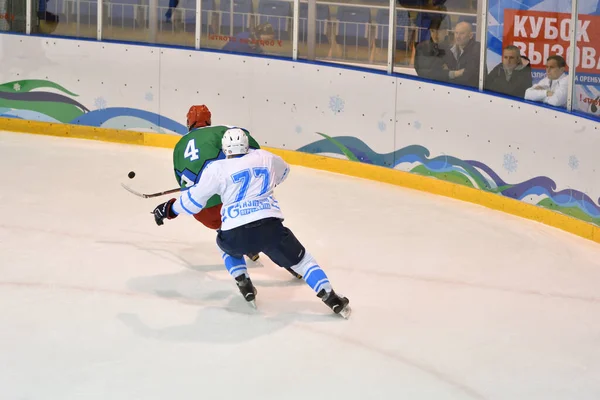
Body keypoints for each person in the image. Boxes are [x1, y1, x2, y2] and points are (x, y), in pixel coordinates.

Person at [152, 128, 351, 318]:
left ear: (224, 149)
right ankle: (332, 298)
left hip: (235, 234)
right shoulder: (265, 157)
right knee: (304, 262)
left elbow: (193, 203)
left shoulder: (216, 169)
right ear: (247, 145)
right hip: (270, 228)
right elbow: (284, 172)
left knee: (225, 244)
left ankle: (243, 281)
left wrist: (168, 210)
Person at [173, 105, 302, 278]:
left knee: (225, 230)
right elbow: (254, 151)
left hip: (202, 211)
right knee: (259, 223)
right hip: (231, 201)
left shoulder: (179, 147)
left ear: (188, 122)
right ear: (209, 119)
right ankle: (290, 262)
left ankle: (243, 264)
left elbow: (183, 183)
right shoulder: (223, 131)